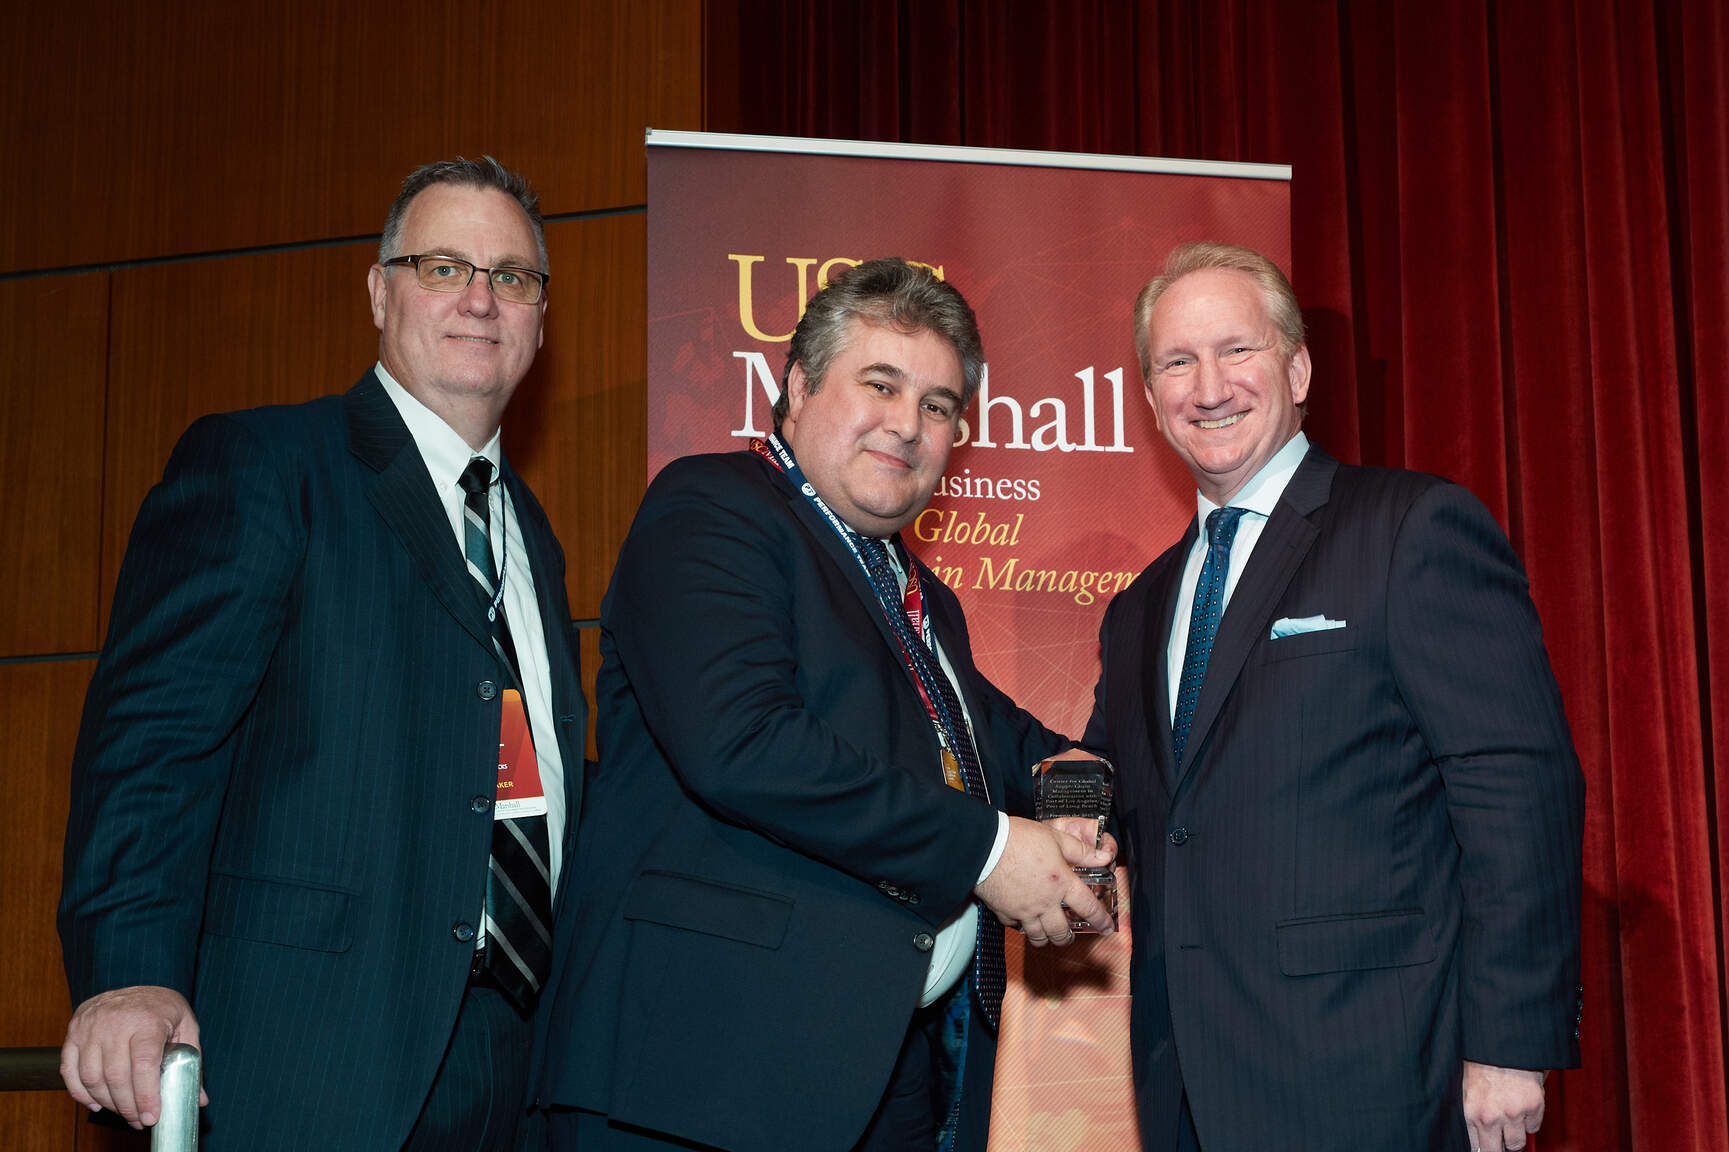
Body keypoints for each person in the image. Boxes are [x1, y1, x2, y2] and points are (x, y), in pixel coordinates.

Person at [57, 156, 584, 1151]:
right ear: (380, 293)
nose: (480, 297)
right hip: (307, 1058)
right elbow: (152, 738)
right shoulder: (264, 466)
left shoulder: (533, 539)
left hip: (507, 1066)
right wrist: (126, 971)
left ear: (540, 321)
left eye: (512, 277)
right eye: (442, 267)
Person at [533, 257, 1115, 1152]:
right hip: (700, 1077)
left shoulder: (917, 596)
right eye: (879, 384)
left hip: (874, 1076)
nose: (908, 426)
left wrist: (1087, 792)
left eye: (938, 405)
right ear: (798, 386)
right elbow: (744, 742)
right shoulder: (713, 508)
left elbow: (1005, 742)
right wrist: (990, 851)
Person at [1083, 242, 1584, 1152]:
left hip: (1376, 1071)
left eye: (1236, 350)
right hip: (1182, 1081)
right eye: (1176, 363)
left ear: (1298, 366)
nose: (1209, 387)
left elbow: (1516, 786)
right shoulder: (1138, 608)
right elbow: (1111, 798)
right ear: (1151, 401)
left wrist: (1508, 1043)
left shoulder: (1409, 529)